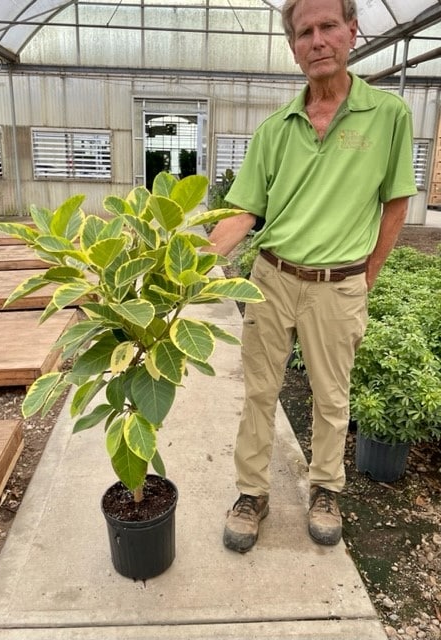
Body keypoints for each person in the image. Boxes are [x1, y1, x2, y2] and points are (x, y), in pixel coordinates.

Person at [207, 0, 418, 552]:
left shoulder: (389, 115)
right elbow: (243, 213)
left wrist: (363, 278)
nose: (317, 40)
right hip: (272, 279)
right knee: (259, 394)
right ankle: (252, 493)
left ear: (352, 32)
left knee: (331, 397)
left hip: (340, 284)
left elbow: (396, 204)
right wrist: (189, 260)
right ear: (293, 47)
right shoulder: (275, 129)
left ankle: (325, 489)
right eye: (305, 32)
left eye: (329, 27)